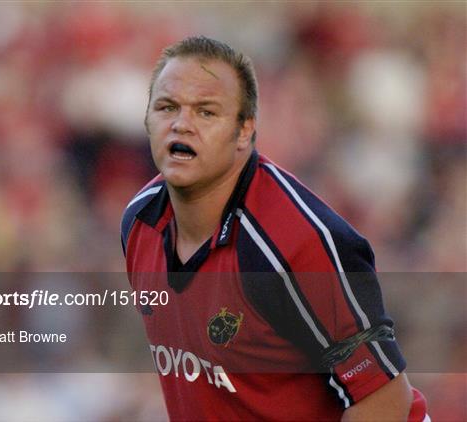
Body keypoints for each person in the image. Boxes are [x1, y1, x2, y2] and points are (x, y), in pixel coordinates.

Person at [121, 36, 428, 421]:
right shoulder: (138, 222)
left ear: (245, 131)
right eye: (167, 107)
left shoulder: (295, 243)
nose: (182, 125)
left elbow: (384, 400)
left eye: (206, 112)